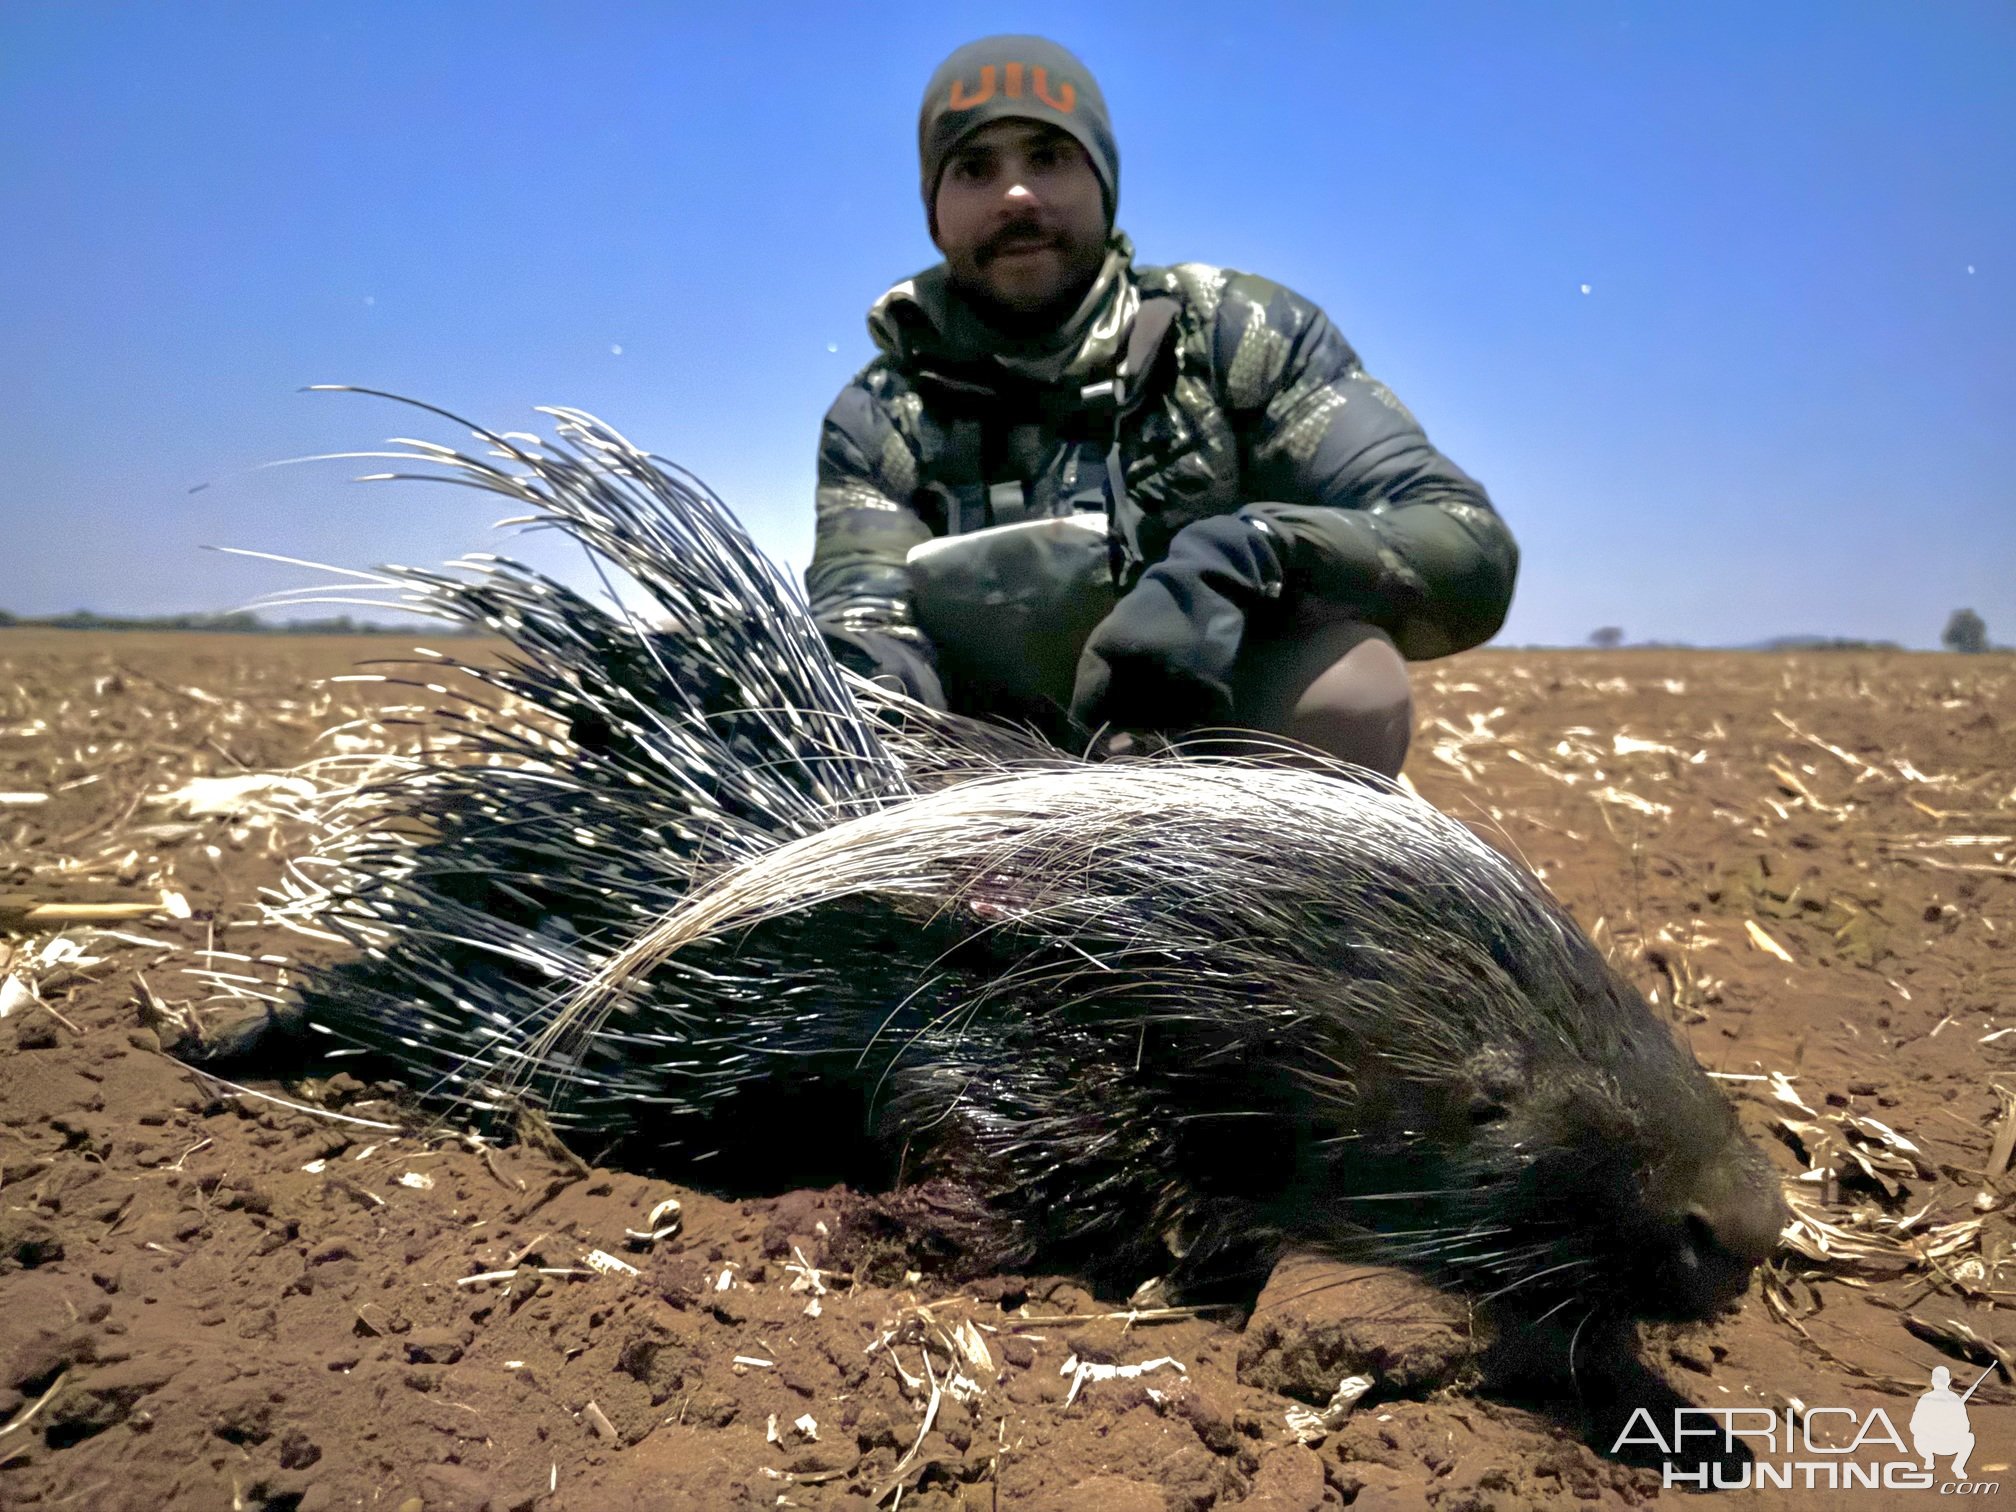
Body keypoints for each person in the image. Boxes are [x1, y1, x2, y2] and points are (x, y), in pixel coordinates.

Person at [805, 35, 1517, 775]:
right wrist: (867, 713)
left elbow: (1464, 541)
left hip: (1204, 753)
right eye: (976, 168)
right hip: (974, 776)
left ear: (1104, 182)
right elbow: (866, 618)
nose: (1016, 194)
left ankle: (1273, 892)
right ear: (936, 207)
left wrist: (1254, 556)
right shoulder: (881, 414)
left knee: (1350, 689)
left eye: (1048, 156)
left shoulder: (1235, 336)